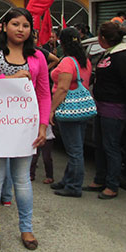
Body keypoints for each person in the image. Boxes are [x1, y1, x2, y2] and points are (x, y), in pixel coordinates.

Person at [0, 8, 50, 251]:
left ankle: (26, 229)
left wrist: (43, 125)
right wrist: (11, 79)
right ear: (4, 26)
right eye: (15, 24)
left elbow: (44, 94)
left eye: (25, 25)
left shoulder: (38, 56)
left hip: (25, 127)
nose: (20, 29)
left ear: (31, 30)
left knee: (22, 181)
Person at [84, 22, 126, 200]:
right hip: (101, 106)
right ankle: (100, 179)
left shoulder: (123, 57)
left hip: (114, 108)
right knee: (99, 144)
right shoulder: (108, 54)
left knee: (111, 146)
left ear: (103, 38)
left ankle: (112, 184)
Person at [48, 28, 93, 197]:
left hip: (68, 107)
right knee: (76, 148)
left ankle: (74, 186)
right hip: (82, 107)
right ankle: (68, 179)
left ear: (62, 41)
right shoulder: (84, 60)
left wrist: (52, 109)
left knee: (74, 151)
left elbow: (62, 88)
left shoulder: (67, 62)